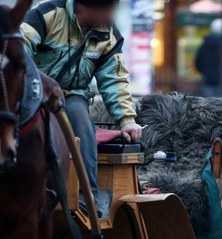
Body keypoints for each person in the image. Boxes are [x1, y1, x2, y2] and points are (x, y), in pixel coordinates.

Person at [21, 0, 142, 215]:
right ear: (91, 7)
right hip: (31, 93)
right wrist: (36, 89)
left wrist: (127, 120)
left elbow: (115, 80)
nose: (111, 14)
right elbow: (18, 55)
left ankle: (88, 195)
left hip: (70, 96)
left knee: (81, 118)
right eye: (109, 8)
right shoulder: (45, 15)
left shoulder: (109, 34)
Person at [195, 18, 222, 97]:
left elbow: (198, 62)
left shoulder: (205, 43)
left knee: (209, 103)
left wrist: (205, 72)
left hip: (209, 79)